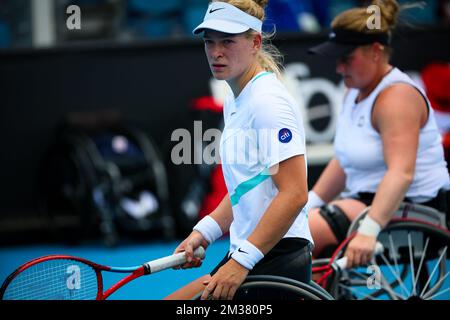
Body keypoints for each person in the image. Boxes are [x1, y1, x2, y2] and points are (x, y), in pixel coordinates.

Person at [165, 0, 313, 300]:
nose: (216, 52)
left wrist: (241, 262)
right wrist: (204, 231)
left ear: (255, 42)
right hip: (255, 254)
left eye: (228, 42)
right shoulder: (236, 97)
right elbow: (248, 187)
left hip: (277, 258)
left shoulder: (267, 102)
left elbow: (295, 193)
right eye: (210, 42)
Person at [307, 0, 450, 268]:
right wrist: (308, 203)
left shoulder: (397, 98)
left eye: (346, 58)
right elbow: (344, 160)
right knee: (293, 229)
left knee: (300, 237)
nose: (339, 68)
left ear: (375, 51)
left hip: (417, 208)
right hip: (367, 201)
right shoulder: (353, 91)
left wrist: (370, 230)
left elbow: (401, 173)